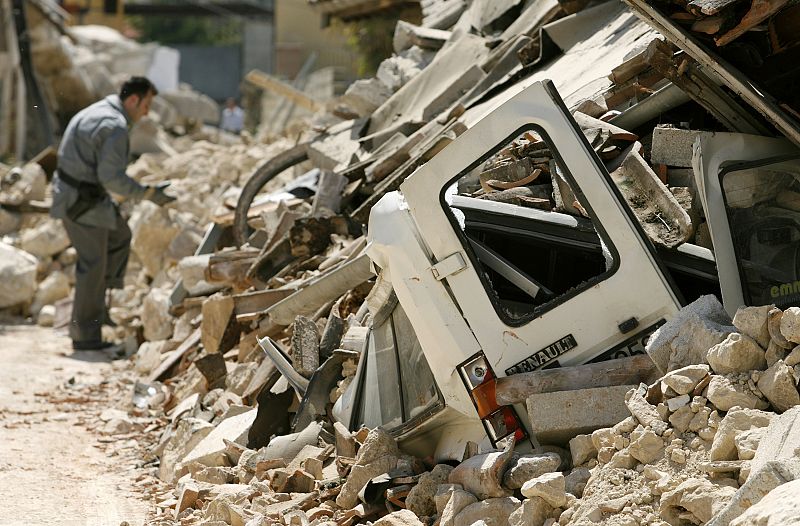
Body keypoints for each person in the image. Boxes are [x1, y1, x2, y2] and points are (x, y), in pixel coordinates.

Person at [51, 76, 175, 352]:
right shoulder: (115, 125)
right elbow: (112, 179)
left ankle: (99, 308)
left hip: (79, 193)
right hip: (81, 201)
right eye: (146, 105)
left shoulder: (100, 110)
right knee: (92, 265)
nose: (147, 113)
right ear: (133, 100)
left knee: (120, 235)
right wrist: (149, 194)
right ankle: (85, 335)